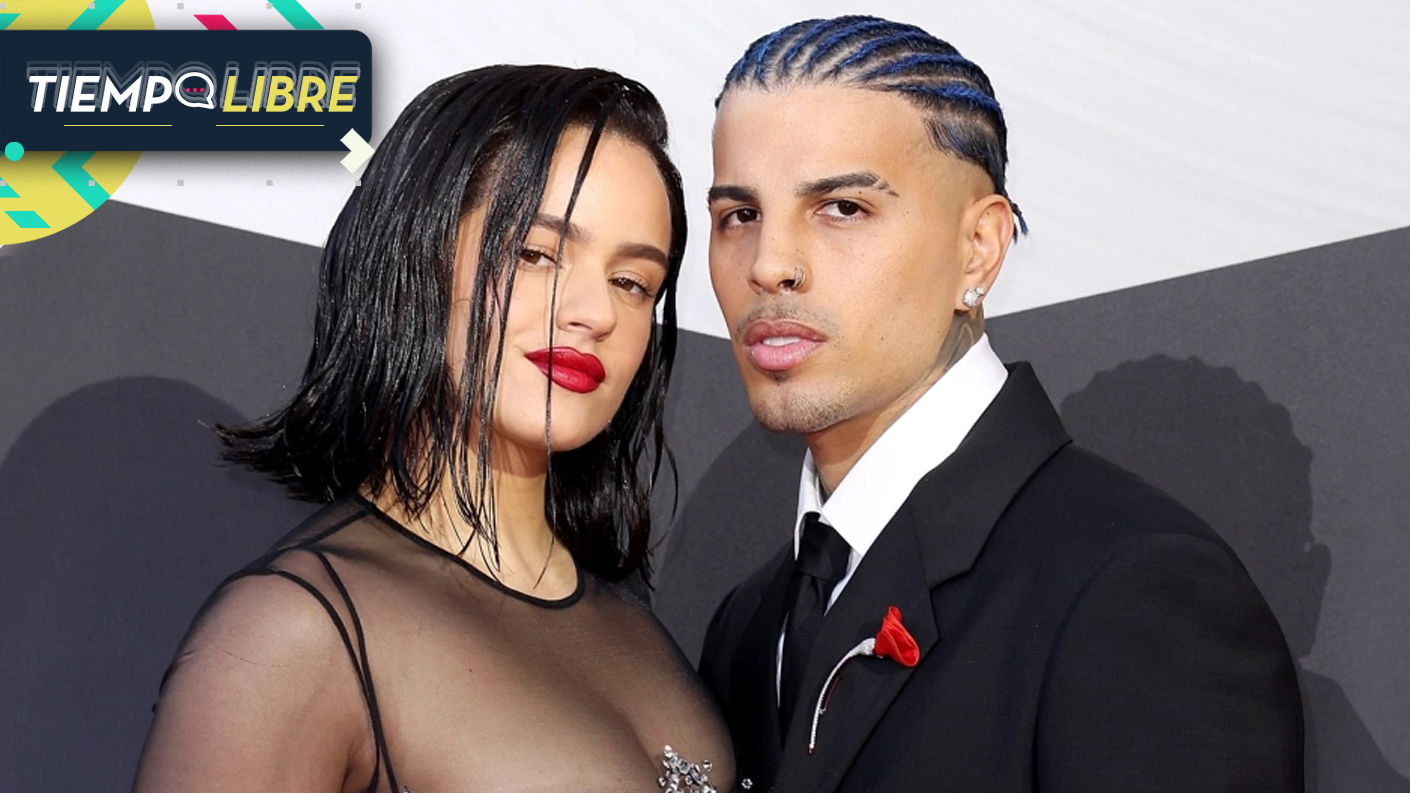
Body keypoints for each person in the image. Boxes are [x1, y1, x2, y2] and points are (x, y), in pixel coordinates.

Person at [697, 15, 1303, 793]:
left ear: (979, 248)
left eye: (842, 207)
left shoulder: (1130, 590)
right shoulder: (747, 624)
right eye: (739, 216)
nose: (769, 263)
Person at [132, 65, 736, 793]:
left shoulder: (639, 629)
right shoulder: (294, 630)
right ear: (417, 253)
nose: (596, 312)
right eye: (536, 254)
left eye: (632, 282)